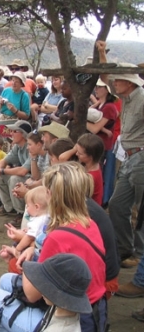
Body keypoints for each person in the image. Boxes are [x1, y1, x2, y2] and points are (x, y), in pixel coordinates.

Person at [14, 162, 107, 331]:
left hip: (72, 317)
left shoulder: (58, 236)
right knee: (7, 283)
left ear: (49, 194)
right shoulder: (89, 223)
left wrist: (24, 262)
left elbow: (32, 294)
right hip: (94, 308)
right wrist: (32, 248)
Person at [97, 40, 144, 267]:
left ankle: (138, 253)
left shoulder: (143, 98)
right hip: (130, 156)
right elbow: (105, 77)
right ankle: (126, 248)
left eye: (119, 80)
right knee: (118, 204)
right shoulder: (127, 97)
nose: (114, 84)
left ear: (129, 82)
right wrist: (102, 53)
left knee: (140, 209)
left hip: (141, 156)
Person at [0, 253, 92, 332]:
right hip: (47, 321)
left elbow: (32, 297)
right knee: (6, 280)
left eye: (47, 285)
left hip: (43, 326)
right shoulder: (66, 308)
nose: (42, 288)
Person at [0, 120, 32, 226]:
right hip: (26, 176)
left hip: (34, 178)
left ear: (23, 134)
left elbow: (23, 171)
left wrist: (1, 170)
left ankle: (21, 212)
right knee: (0, 176)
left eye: (14, 131)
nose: (11, 134)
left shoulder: (31, 145)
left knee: (14, 178)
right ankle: (9, 208)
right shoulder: (18, 146)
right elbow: (4, 161)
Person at [86, 79, 118, 207]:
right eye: (96, 86)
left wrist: (82, 119)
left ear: (107, 90)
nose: (96, 89)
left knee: (100, 176)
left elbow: (94, 129)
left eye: (100, 87)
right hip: (96, 144)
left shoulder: (109, 107)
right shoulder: (100, 105)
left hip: (103, 146)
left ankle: (99, 204)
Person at [1, 186, 49, 260]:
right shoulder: (46, 216)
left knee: (20, 244)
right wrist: (27, 230)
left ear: (37, 207)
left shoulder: (38, 220)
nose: (26, 208)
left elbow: (29, 237)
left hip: (37, 249)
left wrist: (18, 249)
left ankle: (14, 253)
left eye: (28, 206)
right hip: (40, 244)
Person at [60, 133, 105, 206]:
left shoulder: (91, 176)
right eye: (76, 151)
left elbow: (61, 160)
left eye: (80, 153)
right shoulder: (88, 164)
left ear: (90, 157)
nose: (76, 154)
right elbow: (62, 158)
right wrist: (75, 149)